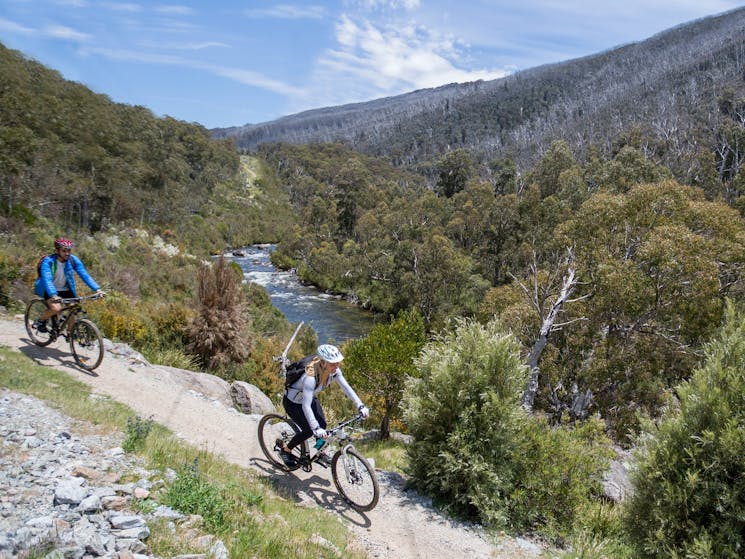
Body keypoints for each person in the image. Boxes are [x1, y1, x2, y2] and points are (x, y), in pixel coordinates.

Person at [280, 343, 369, 467]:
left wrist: (360, 405)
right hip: (293, 403)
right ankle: (286, 450)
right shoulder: (310, 377)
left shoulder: (334, 371)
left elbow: (346, 388)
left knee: (323, 425)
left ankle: (319, 452)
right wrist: (315, 428)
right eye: (333, 363)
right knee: (308, 431)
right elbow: (305, 406)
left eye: (337, 363)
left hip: (308, 399)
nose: (336, 366)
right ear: (323, 363)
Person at [32, 238, 103, 333]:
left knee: (74, 308)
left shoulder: (73, 260)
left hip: (65, 289)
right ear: (57, 251)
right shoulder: (48, 262)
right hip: (49, 290)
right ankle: (40, 320)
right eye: (64, 251)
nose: (67, 253)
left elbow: (85, 275)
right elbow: (47, 280)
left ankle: (70, 334)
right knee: (56, 308)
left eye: (69, 250)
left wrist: (97, 289)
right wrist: (53, 295)